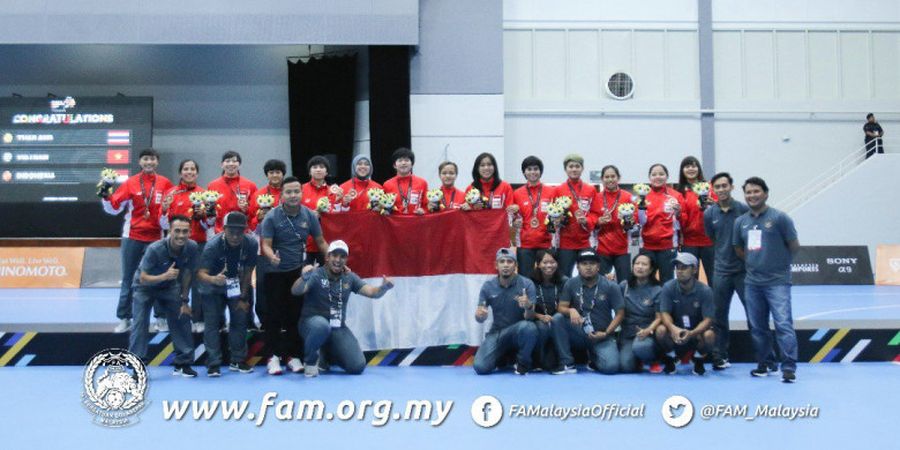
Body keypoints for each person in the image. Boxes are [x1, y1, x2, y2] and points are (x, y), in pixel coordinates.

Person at [704, 172, 776, 371]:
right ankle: (719, 357)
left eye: (724, 185)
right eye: (717, 187)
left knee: (755, 316)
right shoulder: (710, 214)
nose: (721, 189)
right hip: (720, 272)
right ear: (713, 189)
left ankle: (767, 359)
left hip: (744, 273)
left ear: (731, 187)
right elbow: (712, 237)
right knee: (719, 317)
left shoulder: (744, 210)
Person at [291, 240, 395, 377]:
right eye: (334, 255)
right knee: (321, 326)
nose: (338, 260)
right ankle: (310, 362)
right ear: (327, 257)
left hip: (337, 328)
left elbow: (372, 292)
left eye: (342, 256)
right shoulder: (316, 274)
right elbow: (296, 291)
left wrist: (384, 287)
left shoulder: (349, 277)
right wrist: (303, 279)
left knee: (357, 366)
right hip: (311, 324)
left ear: (346, 259)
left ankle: (325, 356)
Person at [260, 176, 329, 375]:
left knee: (294, 315)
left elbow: (321, 241)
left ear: (302, 193)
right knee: (273, 316)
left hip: (297, 273)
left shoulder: (309, 215)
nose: (293, 195)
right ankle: (272, 357)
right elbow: (265, 244)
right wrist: (272, 256)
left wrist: (333, 260)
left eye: (296, 191)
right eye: (288, 192)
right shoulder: (272, 217)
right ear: (281, 195)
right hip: (274, 273)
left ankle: (292, 356)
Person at [733, 176, 800, 383]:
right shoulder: (741, 222)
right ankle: (765, 363)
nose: (752, 195)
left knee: (783, 324)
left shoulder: (780, 218)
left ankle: (788, 367)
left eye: (756, 191)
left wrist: (778, 265)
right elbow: (738, 249)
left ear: (766, 193)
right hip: (752, 283)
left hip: (778, 282)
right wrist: (756, 263)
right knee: (758, 326)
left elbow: (794, 245)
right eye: (748, 192)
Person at [101, 148, 173, 333]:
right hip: (132, 237)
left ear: (157, 162)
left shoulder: (165, 183)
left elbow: (168, 213)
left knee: (160, 279)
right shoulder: (130, 183)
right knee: (128, 279)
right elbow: (114, 208)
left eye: (153, 159)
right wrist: (106, 195)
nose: (149, 162)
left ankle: (161, 318)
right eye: (146, 159)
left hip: (157, 239)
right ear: (140, 162)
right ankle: (125, 318)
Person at [128, 215, 198, 377]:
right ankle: (138, 366)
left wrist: (185, 300)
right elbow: (143, 277)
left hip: (169, 286)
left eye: (185, 231)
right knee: (140, 323)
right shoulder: (155, 249)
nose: (181, 235)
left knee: (182, 316)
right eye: (177, 231)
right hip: (144, 287)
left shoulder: (192, 247)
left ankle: (183, 363)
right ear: (169, 231)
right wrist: (164, 276)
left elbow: (188, 273)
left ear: (190, 232)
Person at [196, 212, 257, 377]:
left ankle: (238, 360)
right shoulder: (212, 246)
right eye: (232, 232)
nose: (236, 236)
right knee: (213, 323)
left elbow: (248, 271)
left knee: (240, 319)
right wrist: (214, 279)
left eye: (240, 232)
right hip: (212, 286)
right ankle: (213, 363)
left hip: (235, 285)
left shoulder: (251, 243)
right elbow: (201, 274)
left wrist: (244, 298)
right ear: (224, 229)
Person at [551, 249, 624, 375]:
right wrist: (571, 310)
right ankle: (567, 363)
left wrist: (606, 333)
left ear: (598, 266)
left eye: (592, 263)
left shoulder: (611, 286)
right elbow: (561, 307)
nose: (588, 267)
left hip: (602, 335)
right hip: (579, 332)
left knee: (611, 367)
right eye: (584, 264)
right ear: (578, 267)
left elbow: (620, 313)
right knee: (558, 318)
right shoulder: (571, 283)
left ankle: (594, 359)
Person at [160, 159, 211, 333]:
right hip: (175, 247)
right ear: (181, 172)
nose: (189, 172)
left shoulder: (205, 194)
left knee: (198, 284)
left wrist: (203, 216)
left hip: (198, 244)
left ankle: (198, 319)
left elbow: (209, 225)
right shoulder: (171, 193)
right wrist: (164, 210)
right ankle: (172, 319)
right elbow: (163, 224)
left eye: (192, 169)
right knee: (173, 282)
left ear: (197, 173)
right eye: (186, 169)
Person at [473, 248, 538, 375]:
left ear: (516, 265)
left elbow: (530, 317)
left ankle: (523, 363)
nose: (506, 265)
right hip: (497, 333)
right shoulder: (488, 286)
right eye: (502, 261)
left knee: (529, 327)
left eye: (510, 261)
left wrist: (528, 306)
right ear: (496, 265)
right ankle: (503, 358)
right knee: (480, 367)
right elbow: (480, 318)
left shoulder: (527, 284)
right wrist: (480, 315)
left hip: (519, 331)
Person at [657, 253, 715, 376]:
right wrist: (673, 329)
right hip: (675, 334)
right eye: (677, 267)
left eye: (684, 268)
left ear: (694, 269)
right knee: (661, 330)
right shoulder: (668, 287)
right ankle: (671, 358)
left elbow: (708, 319)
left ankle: (698, 360)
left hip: (696, 334)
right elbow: (664, 313)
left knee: (709, 335)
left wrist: (692, 333)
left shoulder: (705, 291)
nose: (679, 271)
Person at [247, 159, 286, 329]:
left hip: (286, 247)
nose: (275, 175)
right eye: (271, 172)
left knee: (284, 285)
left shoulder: (289, 192)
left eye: (278, 172)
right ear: (267, 175)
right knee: (262, 285)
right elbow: (250, 222)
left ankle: (285, 320)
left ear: (283, 174)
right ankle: (264, 321)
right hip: (263, 248)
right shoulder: (258, 194)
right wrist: (259, 218)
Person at [554, 154, 601, 278]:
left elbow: (595, 213)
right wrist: (558, 219)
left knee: (588, 276)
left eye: (577, 166)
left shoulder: (590, 190)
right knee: (564, 277)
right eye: (571, 166)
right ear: (566, 169)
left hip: (585, 241)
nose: (574, 169)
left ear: (582, 168)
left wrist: (587, 220)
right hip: (565, 242)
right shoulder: (558, 190)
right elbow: (552, 213)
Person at [618, 253, 664, 373]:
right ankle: (637, 360)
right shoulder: (624, 286)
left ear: (651, 269)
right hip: (627, 332)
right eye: (637, 264)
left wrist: (648, 330)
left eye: (644, 264)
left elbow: (659, 317)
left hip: (646, 332)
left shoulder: (657, 289)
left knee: (641, 347)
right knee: (626, 367)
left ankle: (653, 360)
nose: (639, 267)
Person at [639, 163, 685, 283]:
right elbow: (637, 220)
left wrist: (679, 213)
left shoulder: (676, 196)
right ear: (649, 177)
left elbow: (683, 219)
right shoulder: (643, 196)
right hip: (647, 246)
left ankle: (667, 302)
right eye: (654, 174)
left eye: (661, 174)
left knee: (667, 281)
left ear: (667, 176)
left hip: (668, 246)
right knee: (646, 281)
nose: (657, 177)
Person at [512, 156, 556, 278]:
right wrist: (514, 222)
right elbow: (512, 217)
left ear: (540, 171)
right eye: (529, 169)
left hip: (546, 243)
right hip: (525, 245)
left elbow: (556, 216)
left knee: (547, 279)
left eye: (536, 169)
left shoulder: (552, 191)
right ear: (524, 172)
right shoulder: (517, 193)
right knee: (525, 279)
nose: (533, 172)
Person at [676, 156, 715, 283]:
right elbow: (681, 219)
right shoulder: (679, 192)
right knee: (690, 279)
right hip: (689, 242)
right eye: (687, 166)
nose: (691, 169)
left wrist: (713, 204)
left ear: (699, 168)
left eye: (693, 166)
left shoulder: (710, 188)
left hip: (710, 240)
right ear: (682, 170)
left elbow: (719, 210)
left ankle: (715, 303)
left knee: (714, 279)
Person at [529, 249, 567, 371]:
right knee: (541, 327)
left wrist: (555, 319)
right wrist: (540, 316)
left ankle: (564, 359)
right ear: (538, 264)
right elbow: (525, 310)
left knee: (550, 365)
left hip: (559, 324)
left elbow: (570, 305)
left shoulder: (565, 282)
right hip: (539, 322)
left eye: (552, 262)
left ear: (557, 263)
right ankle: (536, 359)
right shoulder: (529, 283)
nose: (549, 265)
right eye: (545, 262)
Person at [595, 165, 635, 282]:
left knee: (624, 283)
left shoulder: (627, 196)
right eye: (607, 177)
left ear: (619, 178)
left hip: (622, 249)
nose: (610, 179)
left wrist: (629, 221)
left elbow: (635, 218)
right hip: (602, 248)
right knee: (602, 283)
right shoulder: (597, 197)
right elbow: (592, 219)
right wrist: (598, 221)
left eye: (613, 176)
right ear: (602, 179)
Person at [207, 150, 258, 234]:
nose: (231, 164)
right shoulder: (212, 185)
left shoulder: (250, 185)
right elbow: (209, 212)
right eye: (227, 161)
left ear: (239, 165)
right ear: (222, 165)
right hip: (219, 232)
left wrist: (246, 209)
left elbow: (255, 211)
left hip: (243, 232)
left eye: (234, 161)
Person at [302, 155, 340, 265]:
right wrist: (311, 215)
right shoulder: (300, 189)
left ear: (326, 172)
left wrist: (339, 201)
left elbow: (338, 217)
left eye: (322, 167)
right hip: (306, 244)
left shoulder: (333, 191)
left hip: (327, 243)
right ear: (310, 171)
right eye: (314, 167)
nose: (318, 169)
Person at [382, 147, 428, 215]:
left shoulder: (422, 183)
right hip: (395, 224)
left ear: (412, 164)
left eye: (406, 160)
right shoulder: (387, 185)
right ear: (394, 165)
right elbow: (383, 206)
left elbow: (427, 205)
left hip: (416, 222)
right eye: (400, 160)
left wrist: (424, 210)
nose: (403, 163)